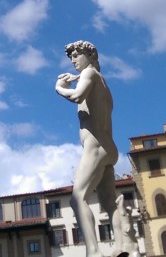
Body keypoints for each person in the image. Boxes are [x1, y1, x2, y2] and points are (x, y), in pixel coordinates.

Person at [55, 41, 124, 257]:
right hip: (109, 147)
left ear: (89, 55)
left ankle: (93, 251)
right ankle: (124, 245)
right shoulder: (104, 83)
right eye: (71, 57)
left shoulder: (89, 74)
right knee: (108, 201)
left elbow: (77, 96)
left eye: (77, 55)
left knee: (78, 198)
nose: (74, 60)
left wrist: (59, 88)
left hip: (95, 146)